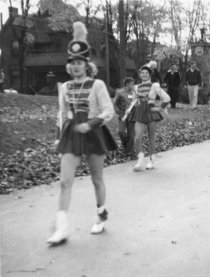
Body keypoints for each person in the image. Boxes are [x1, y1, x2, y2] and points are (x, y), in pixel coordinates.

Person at [48, 22, 117, 245]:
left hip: (93, 132)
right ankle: (62, 228)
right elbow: (62, 114)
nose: (76, 66)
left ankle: (101, 214)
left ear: (87, 65)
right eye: (72, 63)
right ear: (69, 66)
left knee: (96, 179)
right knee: (65, 182)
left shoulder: (97, 85)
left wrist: (91, 124)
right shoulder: (65, 87)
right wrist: (59, 139)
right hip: (72, 135)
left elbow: (109, 111)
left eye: (80, 62)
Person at [127, 65, 170, 171]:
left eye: (146, 73)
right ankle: (140, 159)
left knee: (151, 137)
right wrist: (130, 109)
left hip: (151, 112)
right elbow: (134, 101)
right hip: (140, 112)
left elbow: (167, 98)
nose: (144, 74)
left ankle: (151, 160)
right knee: (137, 137)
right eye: (142, 73)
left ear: (150, 75)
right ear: (140, 75)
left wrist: (159, 108)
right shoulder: (136, 87)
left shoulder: (154, 86)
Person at [113, 77, 135, 150]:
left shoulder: (134, 92)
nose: (133, 85)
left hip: (132, 116)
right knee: (120, 131)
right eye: (132, 84)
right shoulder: (120, 92)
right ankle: (125, 144)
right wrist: (119, 112)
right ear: (127, 84)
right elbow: (115, 104)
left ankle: (128, 150)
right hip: (122, 115)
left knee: (131, 134)